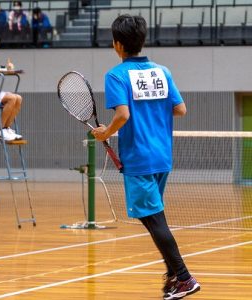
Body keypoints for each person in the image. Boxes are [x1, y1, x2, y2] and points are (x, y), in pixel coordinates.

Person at [91, 15, 200, 300]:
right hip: (162, 156)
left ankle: (184, 277)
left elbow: (123, 114)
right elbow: (180, 109)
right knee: (152, 216)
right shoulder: (162, 71)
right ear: (142, 40)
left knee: (153, 219)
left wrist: (106, 133)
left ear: (117, 44)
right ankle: (174, 275)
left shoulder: (116, 75)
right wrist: (153, 109)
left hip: (139, 158)